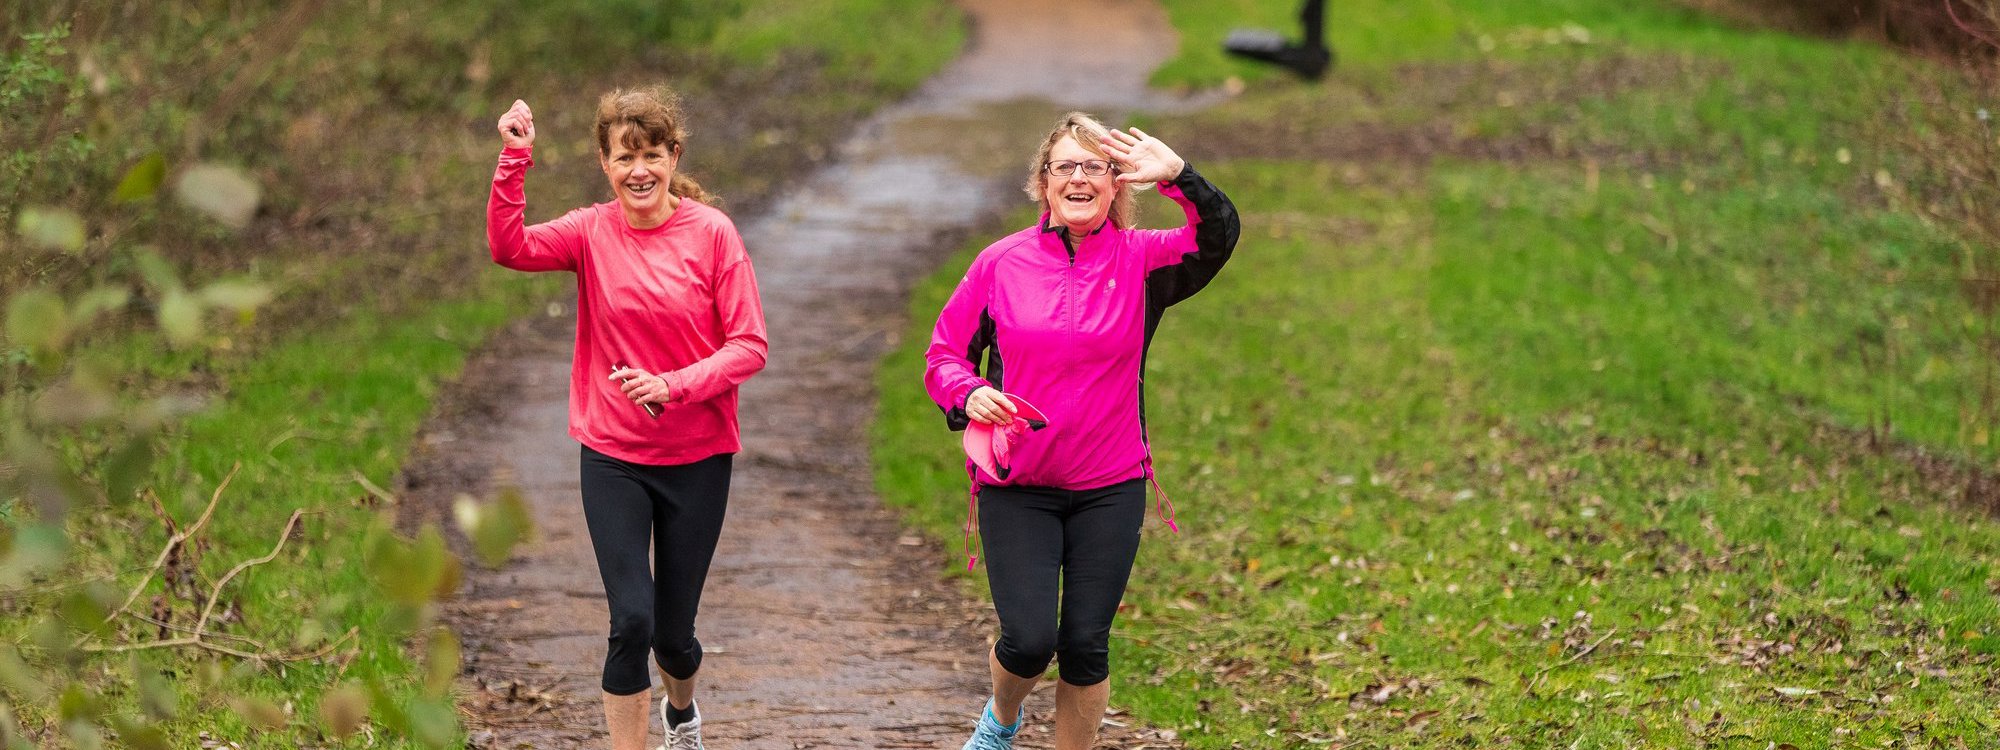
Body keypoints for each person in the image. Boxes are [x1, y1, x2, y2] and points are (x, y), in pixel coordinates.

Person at [923, 113, 1241, 750]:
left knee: (1085, 645)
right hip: (1020, 484)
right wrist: (971, 392)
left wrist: (1179, 176)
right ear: (1043, 183)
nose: (1078, 178)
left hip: (1110, 483)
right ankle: (1002, 722)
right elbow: (943, 356)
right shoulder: (999, 264)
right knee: (1030, 641)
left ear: (1117, 185)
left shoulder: (1144, 259)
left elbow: (1217, 237)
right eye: (1064, 166)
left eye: (1094, 167)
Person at [487, 87, 767, 750]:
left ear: (673, 156)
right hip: (613, 455)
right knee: (630, 621)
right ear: (605, 164)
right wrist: (513, 160)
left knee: (674, 637)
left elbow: (749, 344)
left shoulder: (712, 234)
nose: (638, 169)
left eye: (651, 154)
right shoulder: (590, 231)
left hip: (697, 457)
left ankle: (682, 712)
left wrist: (672, 386)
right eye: (623, 157)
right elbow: (510, 249)